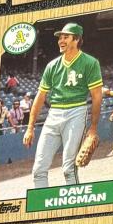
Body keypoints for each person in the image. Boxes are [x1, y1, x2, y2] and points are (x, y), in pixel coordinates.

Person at [23, 23, 103, 190]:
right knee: (38, 170)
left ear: (77, 39)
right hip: (53, 114)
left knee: (69, 169)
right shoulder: (52, 66)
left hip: (76, 112)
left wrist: (93, 128)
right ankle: (41, 204)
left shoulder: (90, 62)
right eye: (60, 37)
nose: (61, 40)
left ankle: (75, 203)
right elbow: (40, 97)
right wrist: (30, 128)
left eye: (66, 37)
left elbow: (96, 96)